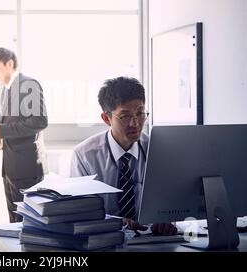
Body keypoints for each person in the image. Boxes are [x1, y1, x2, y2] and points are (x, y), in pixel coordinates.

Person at [70, 77, 177, 235]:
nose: (135, 123)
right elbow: (82, 211)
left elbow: (171, 200)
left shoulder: (158, 149)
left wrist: (166, 220)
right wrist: (112, 221)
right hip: (104, 239)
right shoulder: (84, 156)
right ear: (107, 118)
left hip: (152, 239)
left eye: (140, 113)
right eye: (125, 116)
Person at [0, 47, 48, 223]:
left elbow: (39, 121)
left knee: (28, 224)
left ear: (10, 64)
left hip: (27, 169)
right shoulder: (4, 89)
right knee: (14, 222)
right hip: (10, 168)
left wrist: (2, 130)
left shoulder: (28, 84)